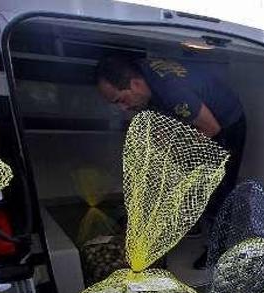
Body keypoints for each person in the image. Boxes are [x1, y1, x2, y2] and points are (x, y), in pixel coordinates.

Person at [95, 56, 246, 269]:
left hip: (225, 124)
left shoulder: (172, 92)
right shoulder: (140, 75)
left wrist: (175, 154)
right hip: (194, 119)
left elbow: (211, 129)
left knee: (216, 189)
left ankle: (220, 249)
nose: (121, 108)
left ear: (135, 84)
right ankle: (191, 224)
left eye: (121, 99)